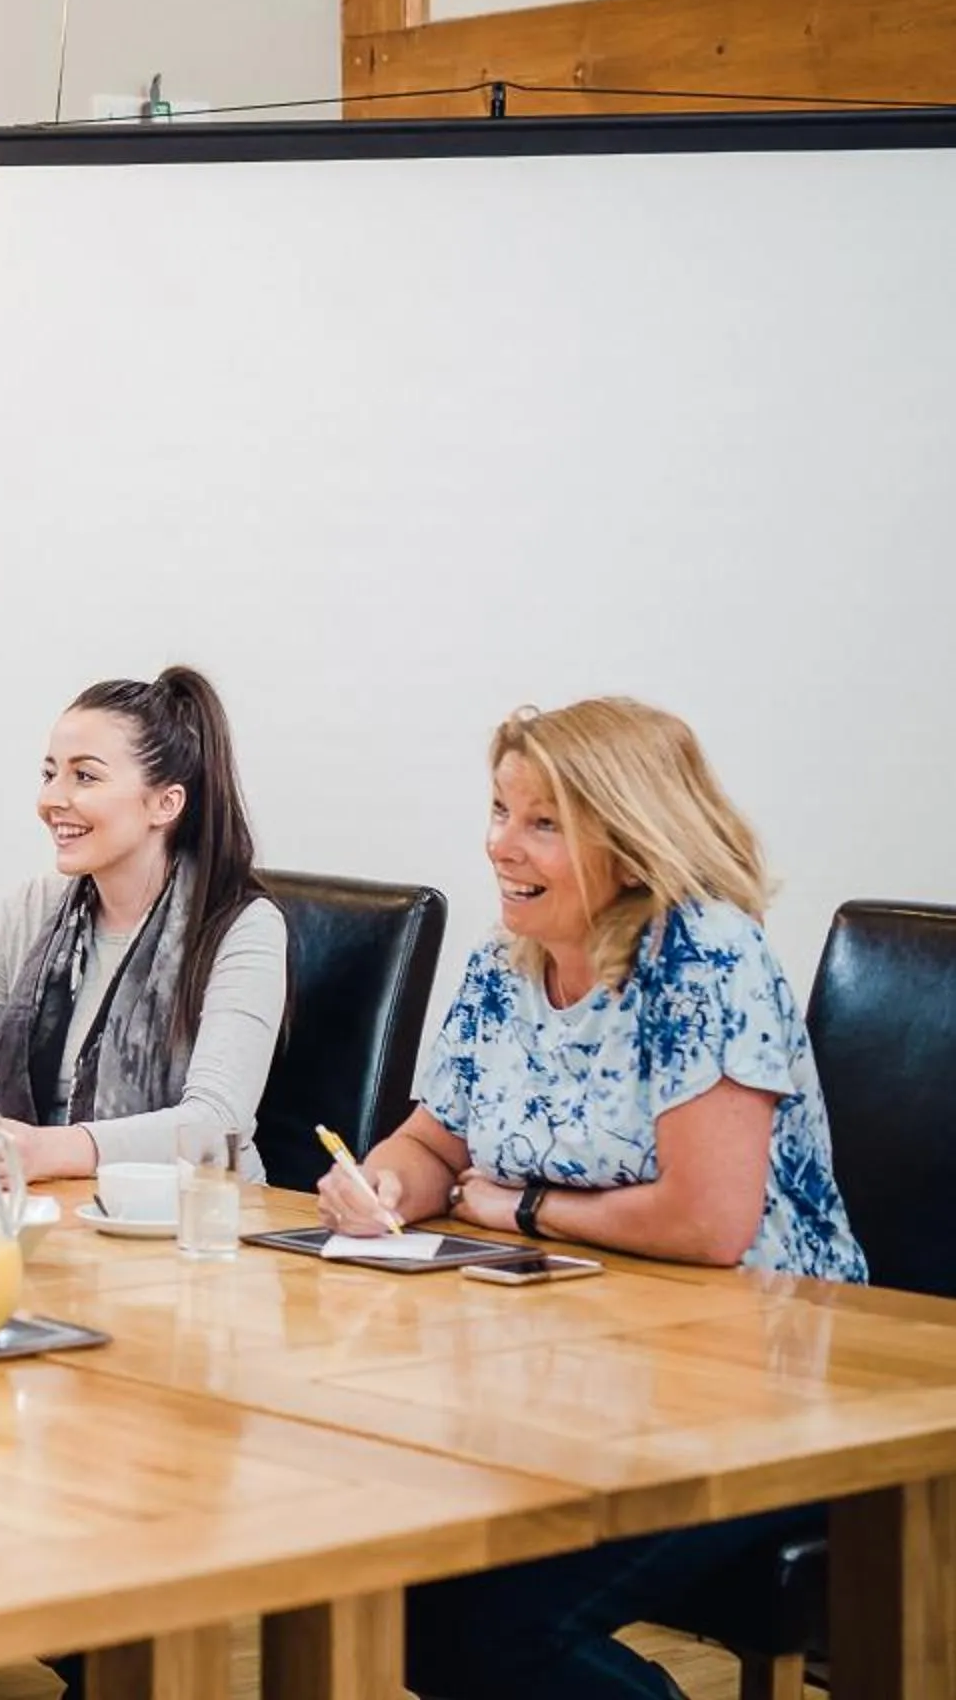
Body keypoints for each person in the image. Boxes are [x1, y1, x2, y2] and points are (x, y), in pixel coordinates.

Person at [317, 697, 862, 1700]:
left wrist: (522, 1211)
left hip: (760, 1388)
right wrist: (385, 1178)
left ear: (628, 833)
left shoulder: (705, 952)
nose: (499, 845)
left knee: (482, 1626)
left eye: (541, 821)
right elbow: (439, 1138)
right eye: (497, 809)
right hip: (588, 1369)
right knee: (398, 1592)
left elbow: (709, 1223)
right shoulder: (504, 962)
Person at [0, 666, 285, 1181]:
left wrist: (46, 1152)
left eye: (85, 776)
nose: (51, 800)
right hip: (54, 1214)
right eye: (49, 773)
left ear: (166, 803)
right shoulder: (35, 910)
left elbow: (215, 1124)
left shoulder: (241, 927)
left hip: (196, 1227)